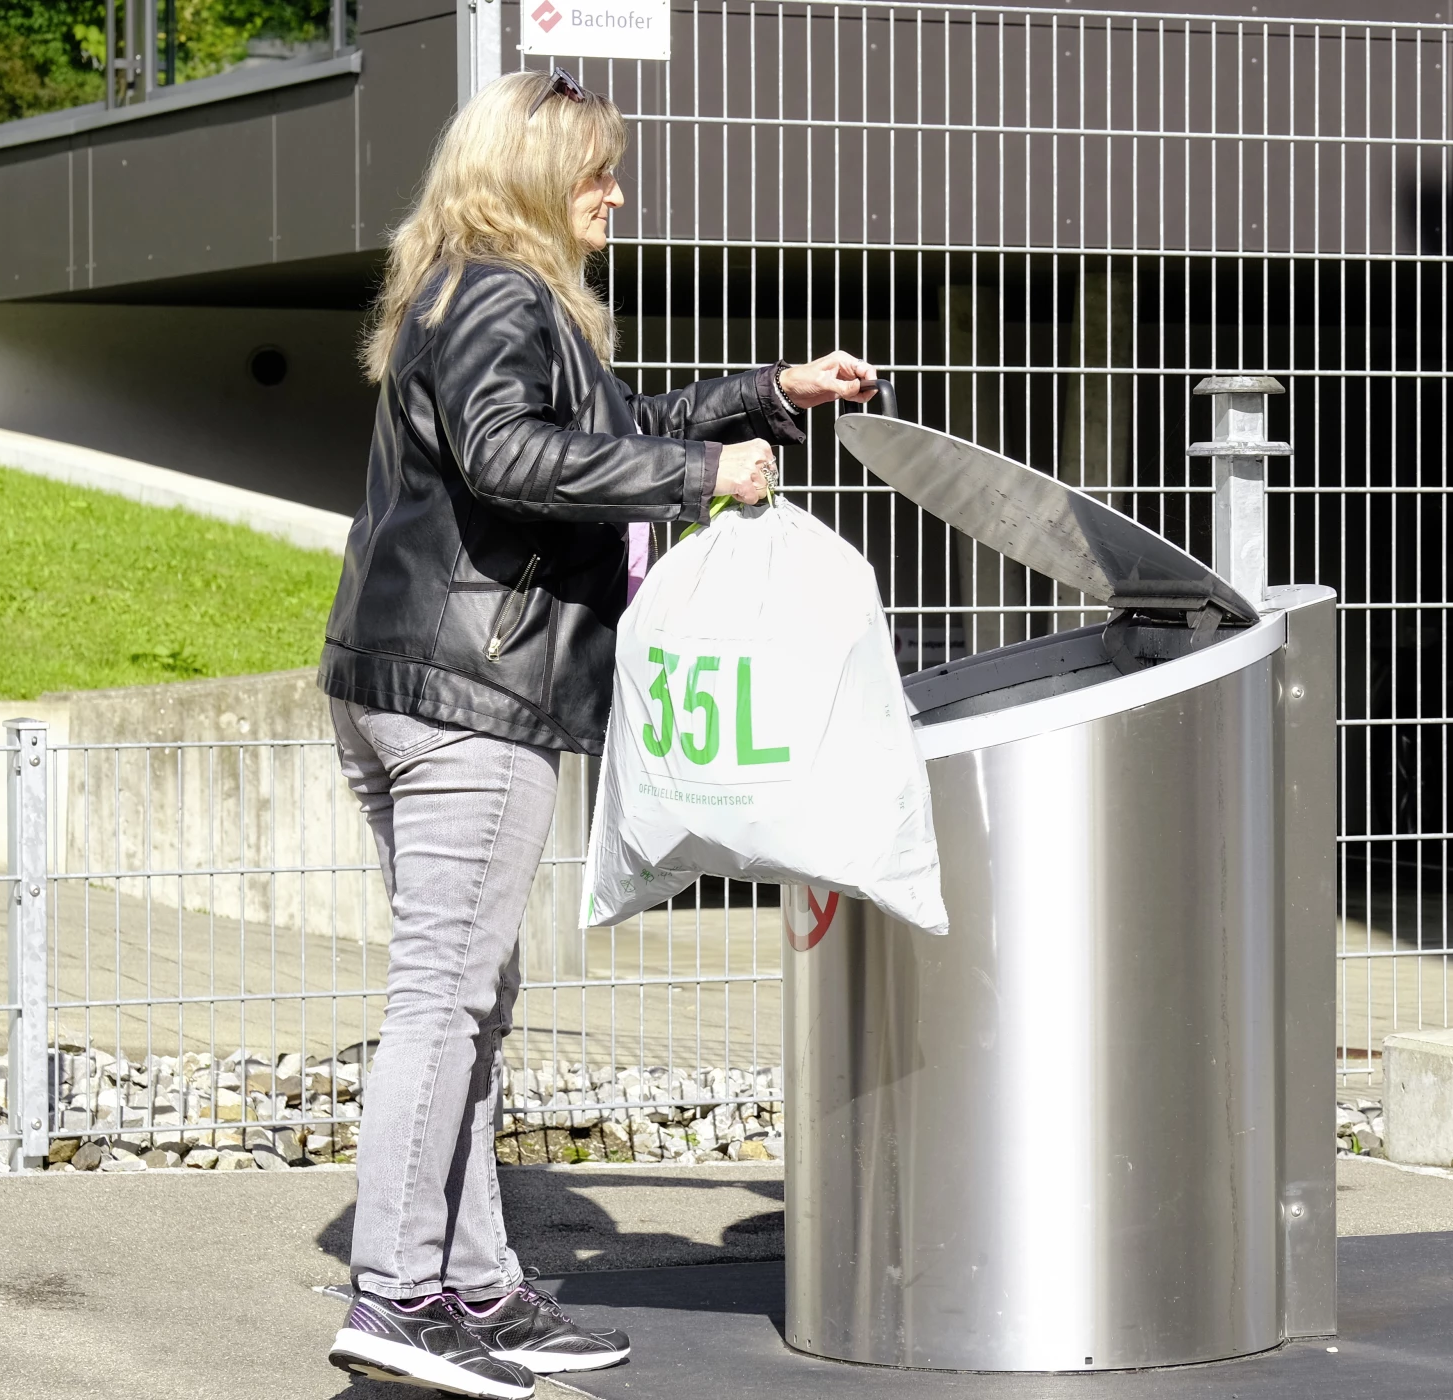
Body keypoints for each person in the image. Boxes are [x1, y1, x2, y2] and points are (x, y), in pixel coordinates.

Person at [319, 67, 877, 1398]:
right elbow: (517, 459)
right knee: (444, 998)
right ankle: (397, 1297)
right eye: (594, 174)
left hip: (430, 681)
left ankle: (476, 1288)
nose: (616, 193)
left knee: (472, 998)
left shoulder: (473, 292)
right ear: (528, 179)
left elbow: (604, 430)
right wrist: (704, 478)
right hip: (470, 697)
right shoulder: (502, 297)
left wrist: (767, 396)